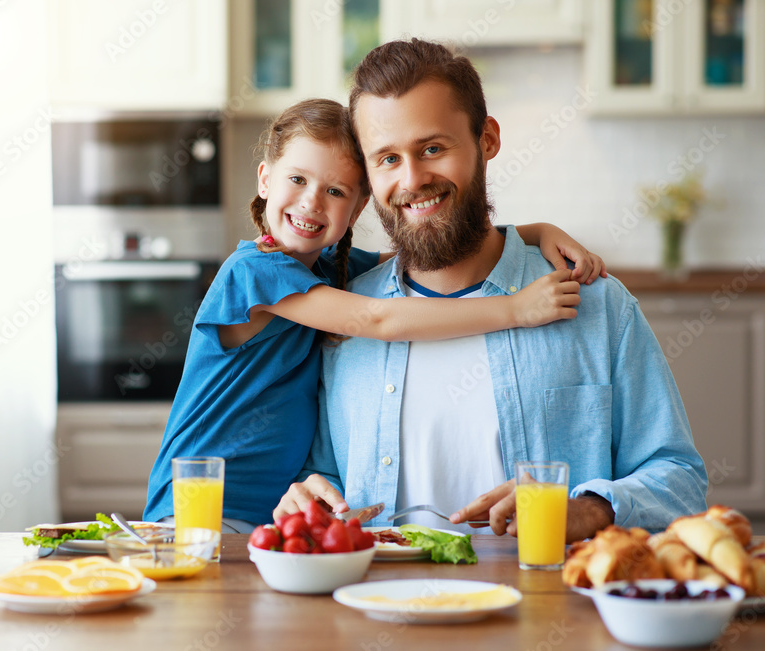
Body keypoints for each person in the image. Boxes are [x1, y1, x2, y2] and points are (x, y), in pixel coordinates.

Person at [276, 40, 708, 541]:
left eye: (433, 149)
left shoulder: (593, 302)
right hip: (378, 608)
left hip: (549, 613)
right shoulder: (342, 317)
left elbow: (680, 480)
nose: (412, 179)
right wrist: (308, 496)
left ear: (487, 140)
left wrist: (586, 510)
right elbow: (329, 476)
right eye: (387, 159)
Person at [143, 98, 606, 533]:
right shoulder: (253, 274)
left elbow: (437, 249)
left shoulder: (331, 271)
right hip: (198, 512)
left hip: (268, 517)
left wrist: (538, 231)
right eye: (297, 180)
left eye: (335, 190)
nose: (311, 202)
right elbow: (378, 319)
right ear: (265, 180)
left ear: (359, 206)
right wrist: (514, 308)